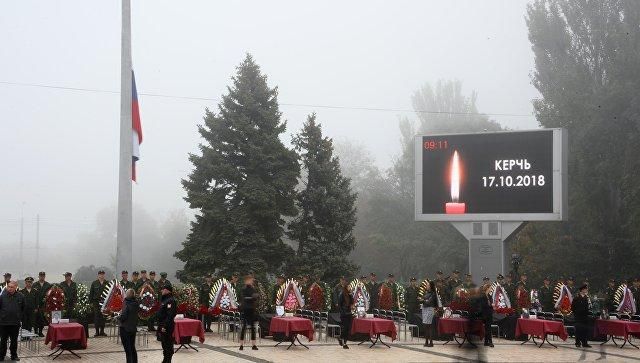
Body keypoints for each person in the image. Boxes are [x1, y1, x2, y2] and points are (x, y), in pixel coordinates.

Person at [0, 281, 24, 361]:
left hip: (15, 323)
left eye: (12, 287)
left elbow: (23, 308)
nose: (9, 288)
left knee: (14, 341)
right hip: (4, 323)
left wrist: (19, 317)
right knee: (3, 341)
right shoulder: (2, 296)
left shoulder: (21, 296)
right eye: (9, 286)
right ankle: (1, 356)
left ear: (16, 287)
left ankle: (14, 355)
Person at [157, 284, 177, 363]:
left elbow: (170, 315)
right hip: (162, 325)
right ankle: (165, 360)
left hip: (166, 327)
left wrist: (164, 326)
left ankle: (168, 361)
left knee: (168, 345)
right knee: (164, 345)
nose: (162, 290)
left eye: (163, 289)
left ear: (167, 290)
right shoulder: (165, 300)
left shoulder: (170, 301)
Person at [118, 288, 139, 363]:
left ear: (128, 295)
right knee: (132, 347)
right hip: (133, 328)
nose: (125, 295)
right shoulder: (136, 303)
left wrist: (118, 317)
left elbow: (123, 317)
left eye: (126, 293)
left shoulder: (126, 303)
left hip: (125, 329)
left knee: (128, 350)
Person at [239, 274, 259, 351]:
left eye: (251, 280)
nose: (251, 281)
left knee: (253, 327)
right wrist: (253, 297)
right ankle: (241, 345)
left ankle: (254, 345)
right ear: (246, 281)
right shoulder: (244, 289)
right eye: (249, 280)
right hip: (246, 309)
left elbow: (255, 298)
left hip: (252, 309)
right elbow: (244, 298)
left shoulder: (253, 288)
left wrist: (255, 297)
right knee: (244, 326)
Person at [571, 284, 591, 348]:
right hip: (578, 317)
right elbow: (573, 307)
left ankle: (585, 343)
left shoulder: (586, 298)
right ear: (582, 290)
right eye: (585, 289)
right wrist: (576, 313)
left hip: (585, 317)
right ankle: (577, 342)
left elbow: (588, 307)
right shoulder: (576, 298)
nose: (586, 290)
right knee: (578, 330)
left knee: (585, 330)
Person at [89, 270, 108, 337]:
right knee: (97, 317)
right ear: (98, 275)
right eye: (100, 274)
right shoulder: (94, 283)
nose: (101, 275)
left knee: (103, 317)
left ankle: (102, 331)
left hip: (104, 302)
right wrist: (90, 302)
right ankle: (97, 332)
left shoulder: (107, 283)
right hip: (96, 302)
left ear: (104, 275)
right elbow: (91, 293)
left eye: (103, 274)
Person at [337, 278, 354, 349]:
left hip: (349, 313)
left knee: (348, 329)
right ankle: (344, 343)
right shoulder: (342, 294)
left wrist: (350, 295)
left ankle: (341, 338)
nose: (350, 288)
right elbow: (339, 304)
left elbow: (352, 302)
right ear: (346, 287)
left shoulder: (349, 294)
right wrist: (342, 312)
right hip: (344, 314)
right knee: (345, 328)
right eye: (349, 287)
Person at [420, 280, 437, 347]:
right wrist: (423, 300)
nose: (426, 286)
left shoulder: (433, 293)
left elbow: (429, 302)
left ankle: (431, 342)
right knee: (426, 326)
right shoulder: (427, 293)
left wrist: (423, 300)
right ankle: (426, 341)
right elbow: (425, 300)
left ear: (431, 286)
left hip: (430, 309)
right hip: (425, 309)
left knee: (429, 326)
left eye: (428, 285)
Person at [34, 271, 51, 337]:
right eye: (41, 276)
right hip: (36, 304)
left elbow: (50, 294)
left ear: (44, 276)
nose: (42, 277)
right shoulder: (35, 284)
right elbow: (33, 294)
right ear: (39, 276)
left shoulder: (48, 285)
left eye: (43, 276)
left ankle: (40, 332)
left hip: (44, 305)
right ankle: (35, 331)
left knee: (42, 319)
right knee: (36, 319)